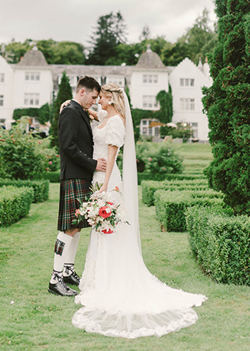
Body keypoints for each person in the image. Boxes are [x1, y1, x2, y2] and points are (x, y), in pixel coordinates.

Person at [72, 83, 206, 339]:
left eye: (101, 97)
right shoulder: (105, 116)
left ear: (110, 98)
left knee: (110, 228)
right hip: (97, 177)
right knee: (101, 230)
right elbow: (92, 114)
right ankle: (99, 280)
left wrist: (104, 188)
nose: (97, 100)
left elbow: (111, 158)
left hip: (107, 179)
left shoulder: (116, 123)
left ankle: (111, 280)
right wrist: (71, 105)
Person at [49, 76, 106, 297]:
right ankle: (55, 278)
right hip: (73, 176)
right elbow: (67, 147)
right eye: (92, 97)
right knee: (68, 228)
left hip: (81, 177)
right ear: (82, 92)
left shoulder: (77, 109)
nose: (94, 101)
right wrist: (93, 164)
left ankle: (67, 270)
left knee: (78, 225)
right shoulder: (70, 112)